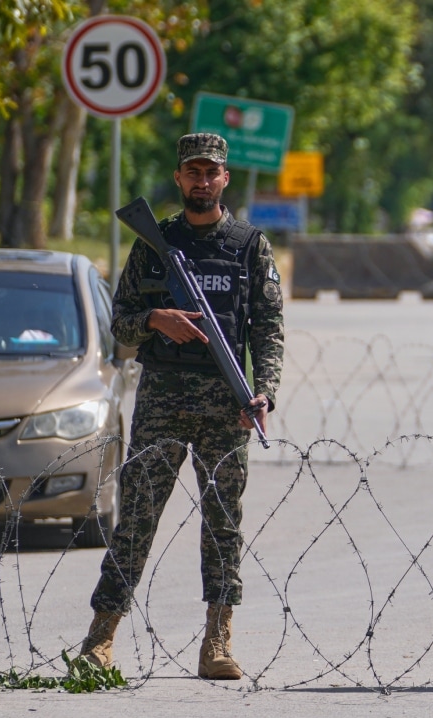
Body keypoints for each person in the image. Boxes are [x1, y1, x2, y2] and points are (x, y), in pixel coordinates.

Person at [78, 133, 285, 680]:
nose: (202, 180)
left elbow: (268, 329)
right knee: (137, 518)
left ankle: (217, 640)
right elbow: (120, 322)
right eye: (192, 171)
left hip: (225, 406)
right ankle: (101, 636)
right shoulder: (154, 242)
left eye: (211, 172)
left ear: (225, 179)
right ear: (178, 178)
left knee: (223, 524)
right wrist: (156, 319)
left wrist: (263, 391)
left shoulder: (249, 245)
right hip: (162, 401)